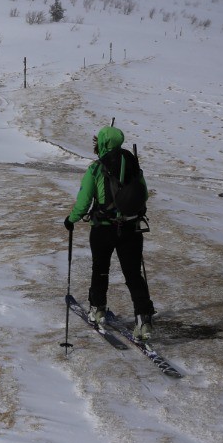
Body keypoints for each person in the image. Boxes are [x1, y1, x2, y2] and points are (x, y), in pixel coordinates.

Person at [64, 125, 154, 341]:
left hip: (103, 228)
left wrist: (71, 219)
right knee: (133, 274)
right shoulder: (133, 165)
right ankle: (143, 320)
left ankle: (97, 309)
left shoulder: (95, 169)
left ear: (102, 144)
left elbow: (84, 201)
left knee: (100, 269)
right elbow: (144, 195)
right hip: (132, 228)